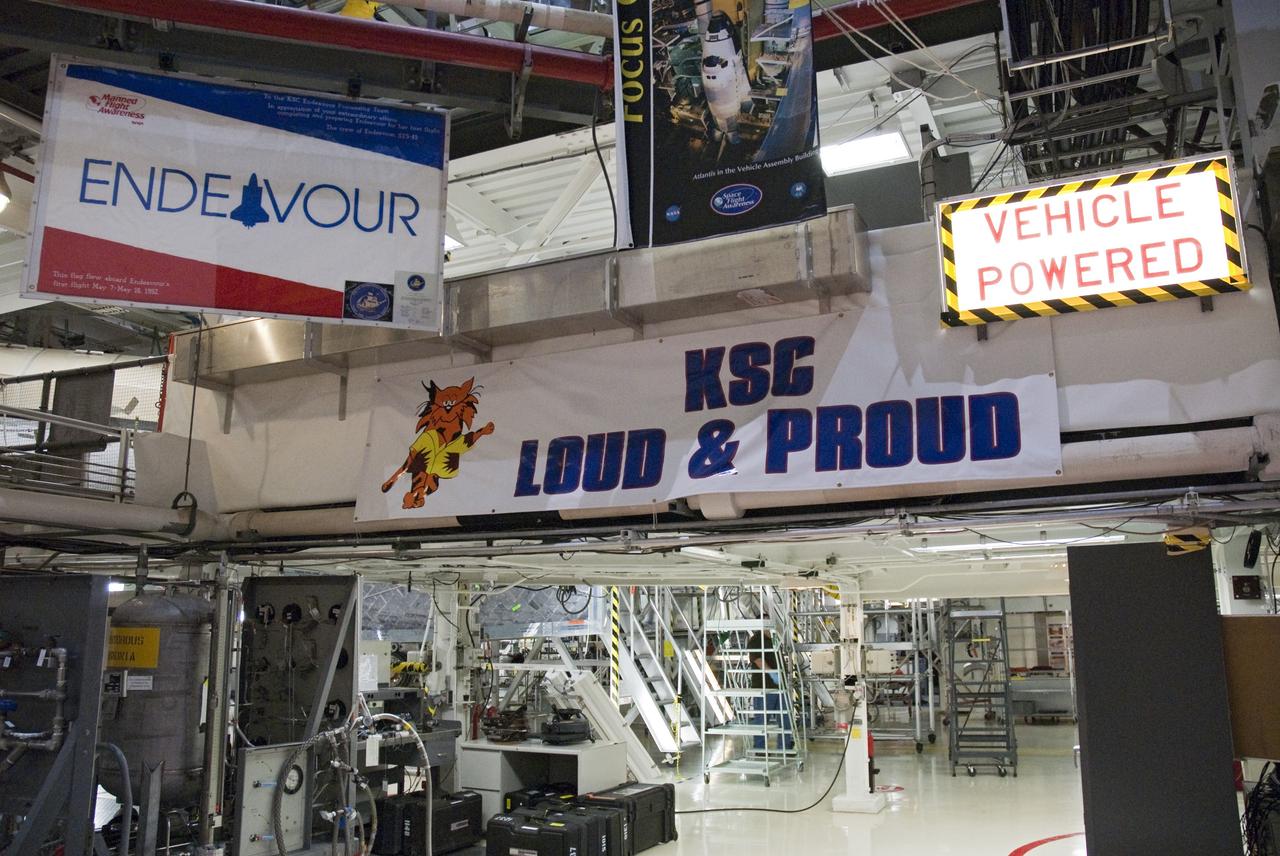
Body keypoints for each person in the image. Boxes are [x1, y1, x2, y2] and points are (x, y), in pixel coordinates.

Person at [744, 630, 794, 752]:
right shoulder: (756, 639)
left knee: (786, 717)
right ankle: (760, 749)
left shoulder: (773, 638)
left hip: (779, 686)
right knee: (762, 719)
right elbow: (757, 658)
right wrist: (770, 672)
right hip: (764, 686)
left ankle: (784, 747)